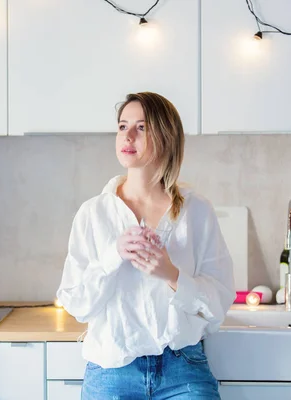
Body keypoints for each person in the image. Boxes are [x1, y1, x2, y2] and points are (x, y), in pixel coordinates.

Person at [56, 92, 235, 399]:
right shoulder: (93, 214)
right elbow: (76, 304)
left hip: (183, 368)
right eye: (122, 126)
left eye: (141, 127)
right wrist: (113, 255)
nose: (127, 135)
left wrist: (172, 275)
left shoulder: (197, 211)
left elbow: (219, 301)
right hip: (112, 369)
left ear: (166, 137)